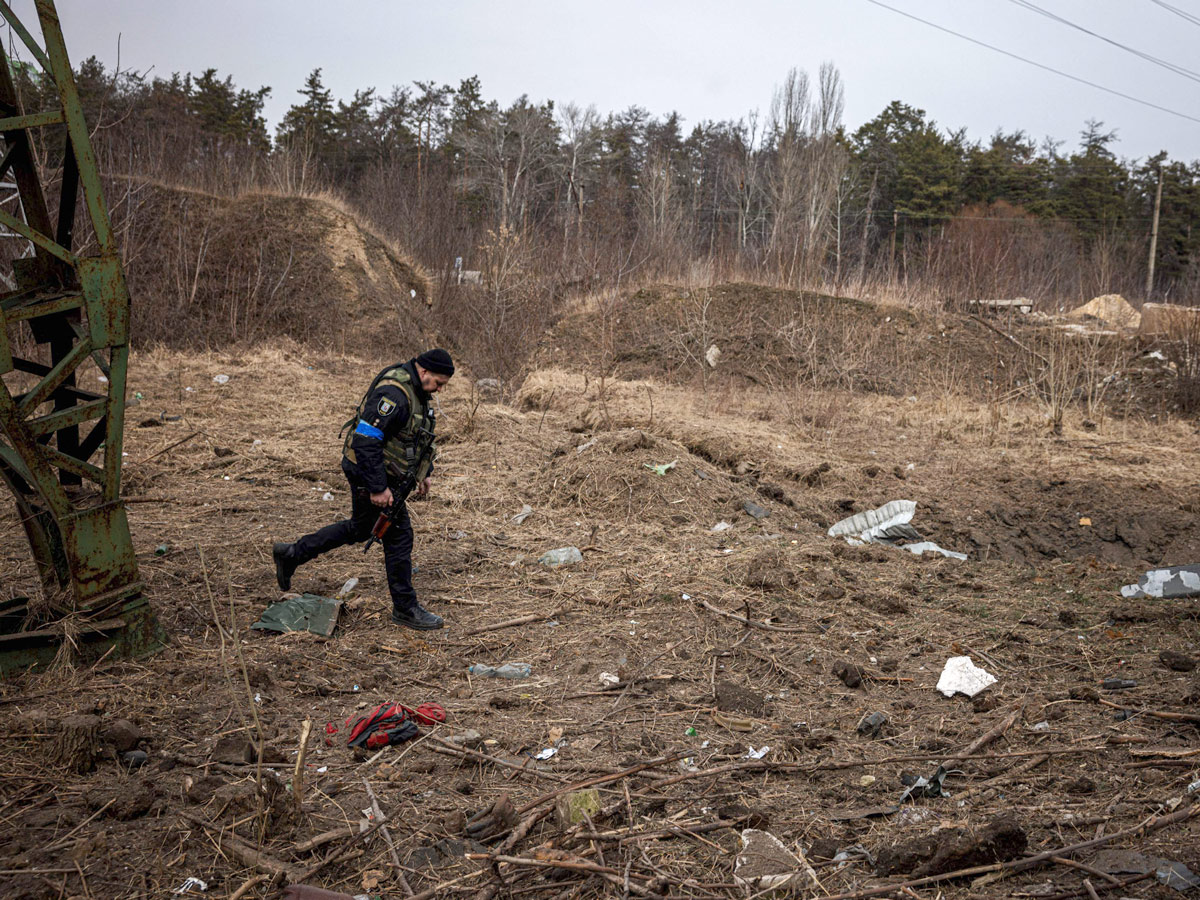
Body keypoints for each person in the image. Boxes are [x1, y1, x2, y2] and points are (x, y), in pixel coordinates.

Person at [272, 348, 454, 630]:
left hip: (379, 471)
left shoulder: (417, 390)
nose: (439, 390)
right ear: (424, 372)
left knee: (360, 528)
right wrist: (377, 488)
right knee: (399, 536)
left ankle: (292, 554)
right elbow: (366, 440)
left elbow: (417, 438)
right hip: (366, 470)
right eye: (438, 383)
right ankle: (405, 608)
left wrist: (423, 473)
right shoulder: (394, 395)